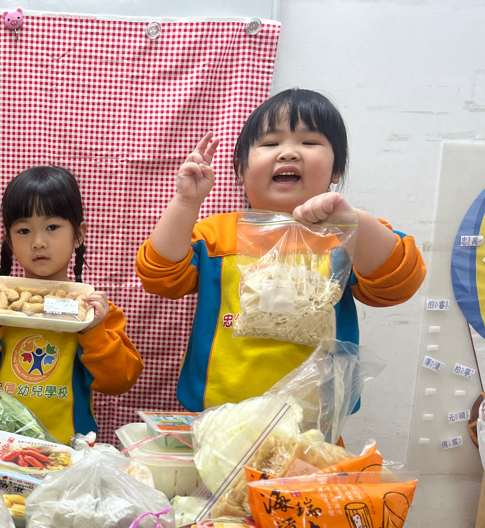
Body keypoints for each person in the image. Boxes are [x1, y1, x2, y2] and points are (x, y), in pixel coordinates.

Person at [137, 88, 425, 412]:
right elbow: (160, 276)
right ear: (240, 170)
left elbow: (397, 284)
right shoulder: (215, 236)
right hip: (218, 415)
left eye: (309, 142)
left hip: (314, 421)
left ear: (336, 170)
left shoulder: (348, 235)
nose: (289, 153)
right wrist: (186, 202)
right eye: (271, 143)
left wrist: (353, 223)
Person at [0, 166, 143, 444]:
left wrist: (93, 332)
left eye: (52, 227)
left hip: (67, 448)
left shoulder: (95, 312)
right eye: (24, 230)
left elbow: (119, 382)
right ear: (8, 241)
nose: (38, 242)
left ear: (79, 234)